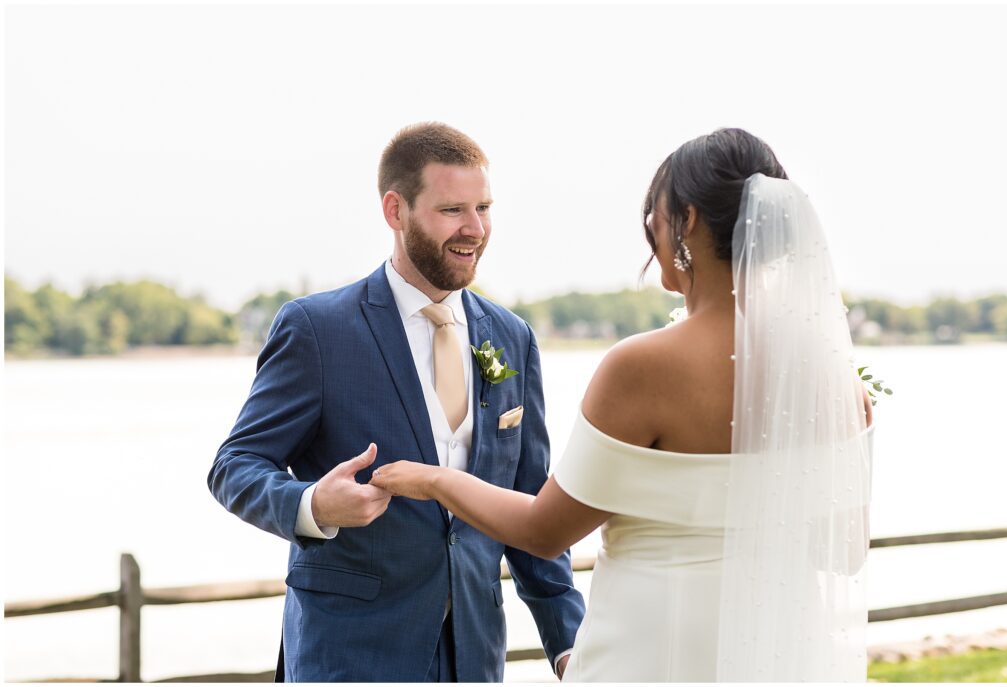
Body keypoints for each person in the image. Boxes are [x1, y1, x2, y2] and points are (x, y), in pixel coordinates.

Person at [371, 128, 875, 682]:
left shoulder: (645, 367)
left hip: (653, 651)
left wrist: (437, 481)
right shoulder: (829, 377)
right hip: (774, 656)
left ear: (685, 220)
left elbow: (546, 529)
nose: (651, 231)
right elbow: (843, 553)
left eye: (654, 214)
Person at [208, 122, 585, 682]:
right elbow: (234, 467)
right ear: (395, 210)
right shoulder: (318, 329)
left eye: (484, 207)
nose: (475, 229)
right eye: (452, 210)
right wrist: (312, 505)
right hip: (350, 657)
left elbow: (530, 504)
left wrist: (568, 643)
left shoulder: (511, 338)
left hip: (475, 660)